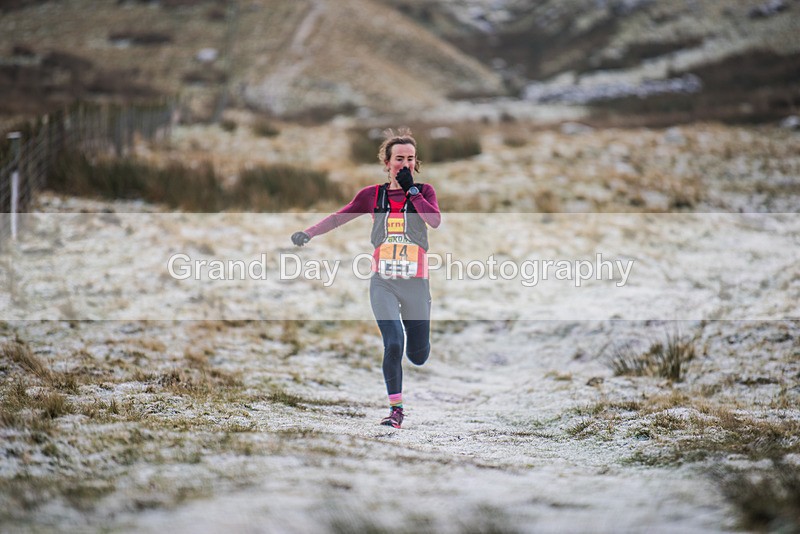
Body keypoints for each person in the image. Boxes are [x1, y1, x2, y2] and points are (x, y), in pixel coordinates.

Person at [291, 129, 441, 429]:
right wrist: (308, 232)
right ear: (387, 163)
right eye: (399, 159)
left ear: (416, 163)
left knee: (418, 354)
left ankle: (419, 346)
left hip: (415, 283)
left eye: (410, 159)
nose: (405, 164)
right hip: (383, 281)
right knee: (393, 343)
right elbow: (339, 217)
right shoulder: (373, 195)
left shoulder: (424, 192)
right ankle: (396, 410)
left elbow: (434, 220)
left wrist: (412, 192)